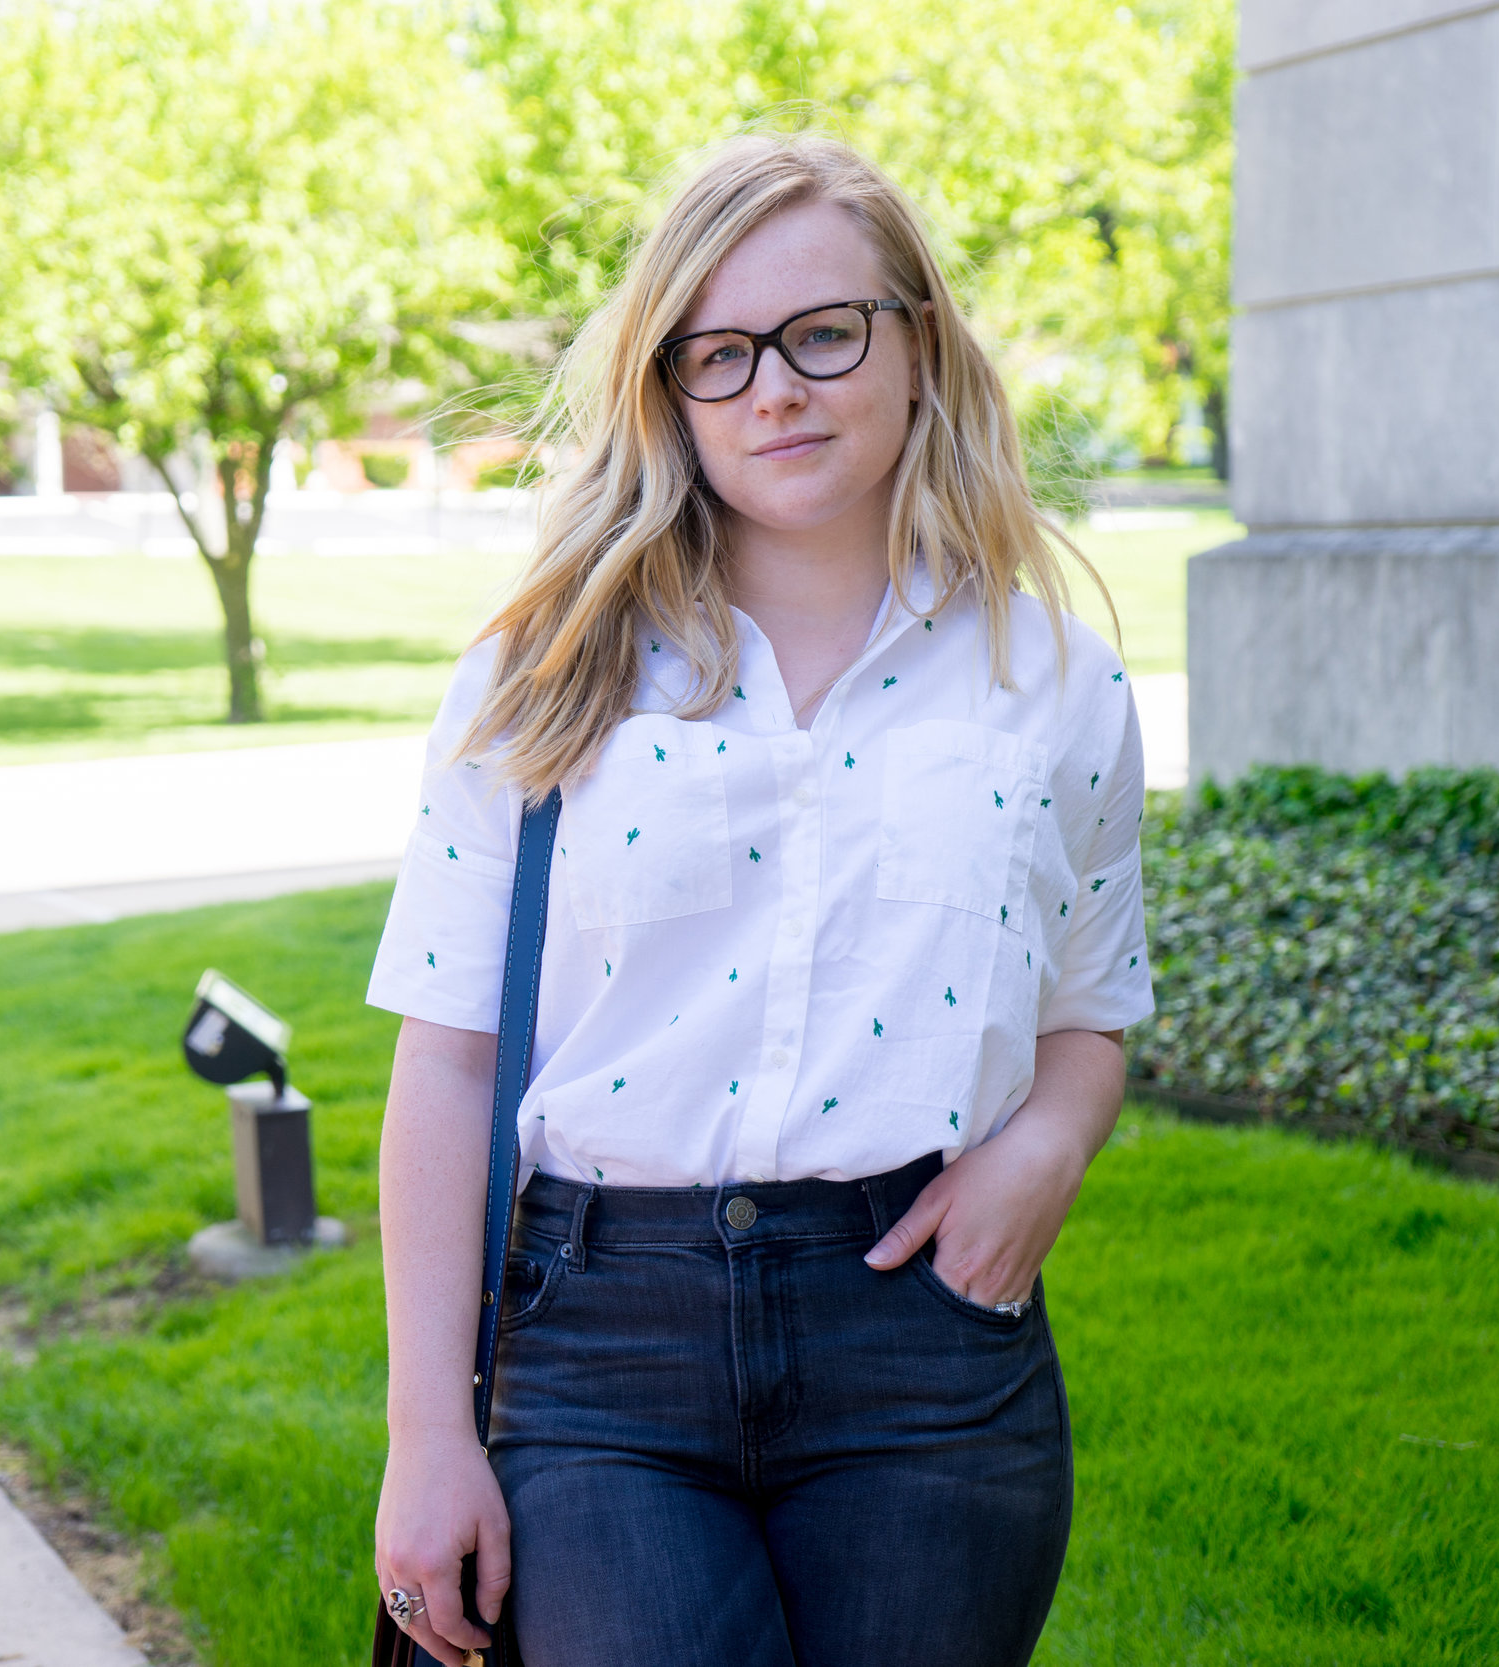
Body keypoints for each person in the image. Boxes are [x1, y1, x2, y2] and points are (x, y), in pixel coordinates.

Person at [366, 132, 1153, 1667]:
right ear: (667, 393)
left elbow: (1092, 1004)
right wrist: (425, 1436)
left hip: (925, 1342)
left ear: (918, 342)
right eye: (717, 356)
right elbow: (447, 1060)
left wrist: (1049, 1147)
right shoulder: (545, 673)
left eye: (823, 333)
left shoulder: (1054, 679)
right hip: (598, 1341)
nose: (773, 389)